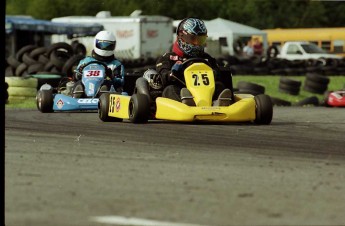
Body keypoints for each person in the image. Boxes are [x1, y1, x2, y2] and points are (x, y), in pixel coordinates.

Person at [135, 17, 232, 106]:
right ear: (182, 37)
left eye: (201, 40)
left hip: (207, 92)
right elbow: (163, 77)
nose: (197, 44)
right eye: (193, 39)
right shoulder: (168, 58)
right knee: (170, 89)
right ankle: (186, 103)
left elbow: (218, 74)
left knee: (219, 86)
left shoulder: (207, 58)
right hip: (181, 90)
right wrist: (172, 73)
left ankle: (219, 103)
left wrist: (214, 73)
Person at [71, 30, 125, 98]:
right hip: (84, 90)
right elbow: (74, 78)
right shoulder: (85, 61)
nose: (104, 48)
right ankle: (76, 96)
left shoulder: (116, 64)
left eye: (108, 46)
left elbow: (120, 82)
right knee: (78, 84)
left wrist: (111, 76)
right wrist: (78, 74)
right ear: (95, 43)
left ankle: (103, 96)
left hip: (106, 94)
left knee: (106, 84)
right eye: (102, 45)